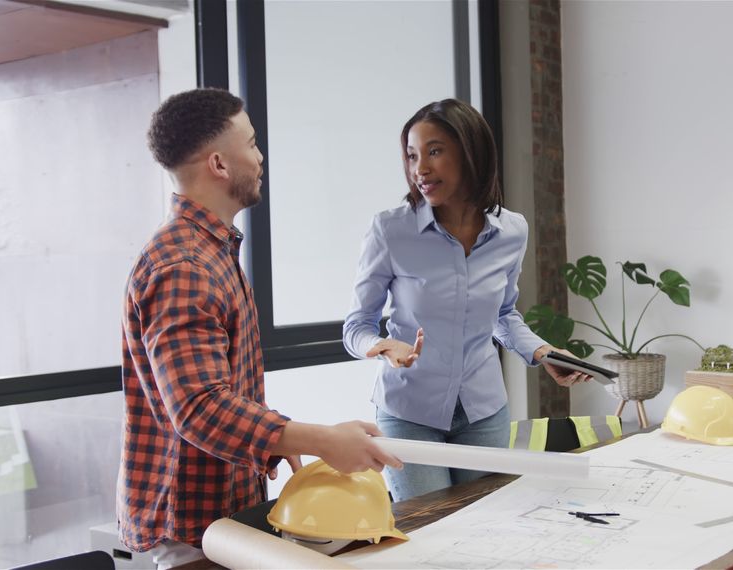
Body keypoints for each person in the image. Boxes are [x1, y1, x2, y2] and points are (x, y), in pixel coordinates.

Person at [119, 88, 401, 568]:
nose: (260, 155)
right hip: (193, 530)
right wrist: (320, 440)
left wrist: (282, 442)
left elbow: (217, 391)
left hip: (219, 516)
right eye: (250, 143)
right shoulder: (185, 265)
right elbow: (198, 407)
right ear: (219, 165)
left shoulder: (211, 251)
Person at [342, 98, 588, 502]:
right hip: (409, 413)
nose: (419, 168)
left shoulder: (512, 231)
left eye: (434, 151)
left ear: (470, 153)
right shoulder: (390, 230)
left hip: (483, 411)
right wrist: (382, 346)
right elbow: (356, 327)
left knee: (486, 527)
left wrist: (543, 353)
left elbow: (503, 316)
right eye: (411, 155)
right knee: (430, 532)